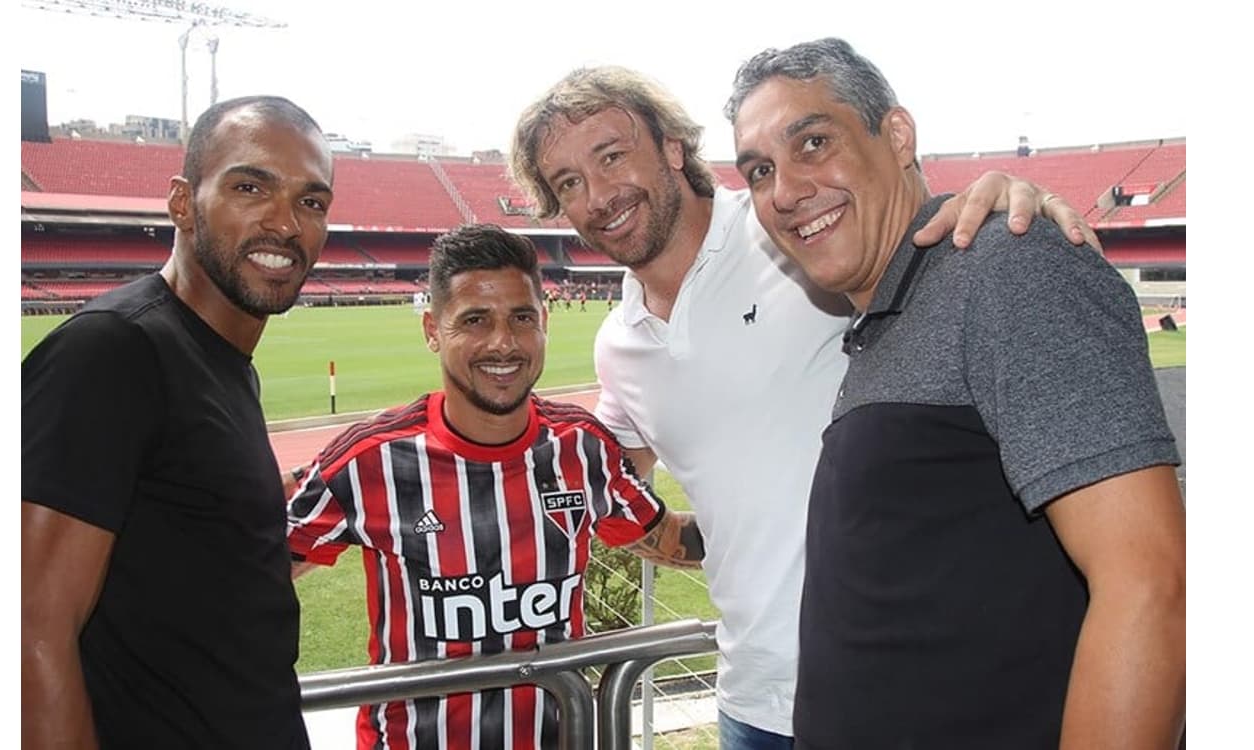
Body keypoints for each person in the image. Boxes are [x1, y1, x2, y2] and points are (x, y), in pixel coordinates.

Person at [509, 66, 1099, 747]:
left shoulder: (790, 230)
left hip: (907, 694)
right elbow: (609, 490)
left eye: (611, 156)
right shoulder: (621, 342)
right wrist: (712, 538)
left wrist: (996, 201)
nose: (600, 195)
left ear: (672, 146)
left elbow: (911, 240)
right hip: (751, 704)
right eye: (569, 183)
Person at [726, 37, 1185, 749]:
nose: (785, 191)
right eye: (759, 171)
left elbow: (1151, 585)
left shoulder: (1006, 263)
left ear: (898, 136)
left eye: (813, 143)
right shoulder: (890, 315)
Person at [284, 224, 701, 750]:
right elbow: (254, 573)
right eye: (475, 320)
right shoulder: (371, 460)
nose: (502, 343)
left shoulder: (582, 450)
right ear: (433, 329)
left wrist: (777, 526)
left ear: (544, 323)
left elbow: (668, 538)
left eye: (521, 318)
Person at [22, 96, 334, 748]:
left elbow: (190, 568)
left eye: (311, 201)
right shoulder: (112, 352)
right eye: (251, 187)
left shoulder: (222, 364)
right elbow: (28, 628)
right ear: (182, 203)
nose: (286, 223)